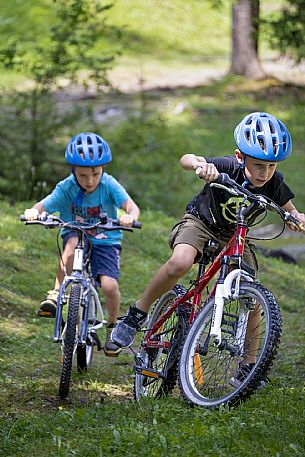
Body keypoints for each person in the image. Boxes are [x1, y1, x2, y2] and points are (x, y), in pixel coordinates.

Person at [111, 111, 305, 382]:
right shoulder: (228, 166)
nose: (265, 173)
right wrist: (200, 166)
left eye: (271, 166)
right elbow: (186, 159)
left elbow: (291, 209)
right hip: (201, 222)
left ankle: (249, 367)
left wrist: (296, 218)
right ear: (240, 157)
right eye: (259, 165)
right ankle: (136, 314)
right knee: (181, 261)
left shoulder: (273, 182)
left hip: (235, 235)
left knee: (253, 296)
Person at [24, 132, 140, 357]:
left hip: (106, 238)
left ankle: (113, 327)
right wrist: (33, 212)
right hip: (76, 232)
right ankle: (56, 293)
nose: (89, 181)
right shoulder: (67, 187)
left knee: (109, 286)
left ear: (102, 169)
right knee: (70, 245)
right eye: (83, 175)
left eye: (95, 174)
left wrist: (130, 216)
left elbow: (131, 207)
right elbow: (44, 204)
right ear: (73, 171)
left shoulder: (108, 184)